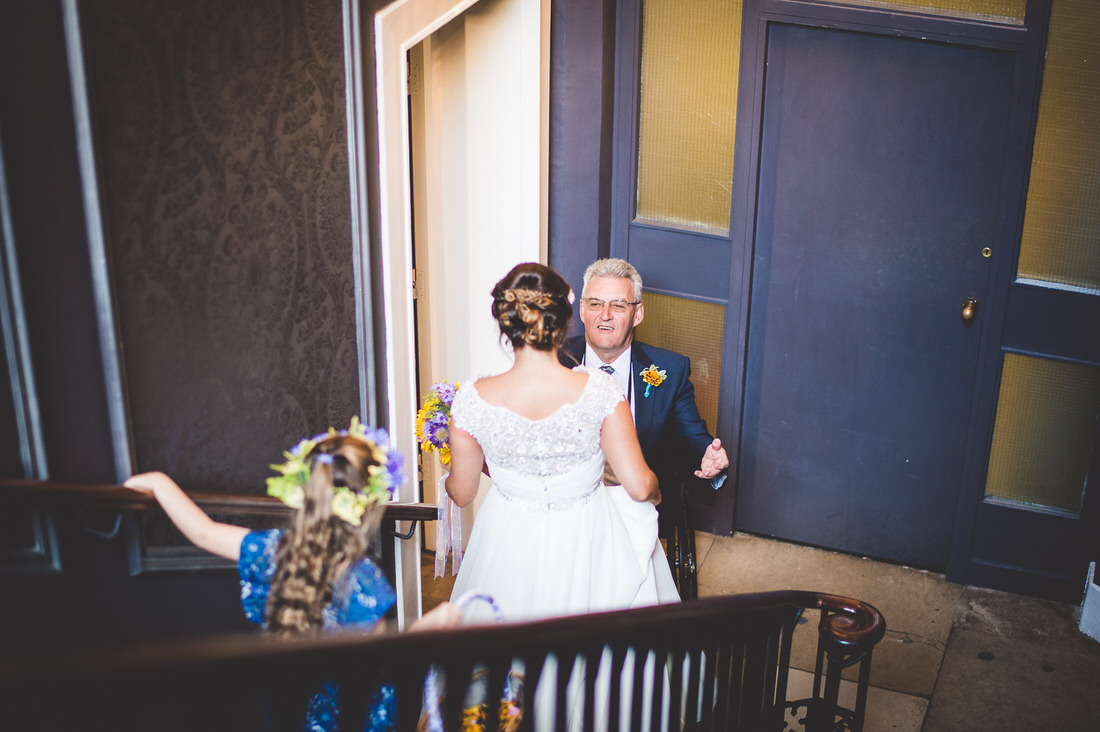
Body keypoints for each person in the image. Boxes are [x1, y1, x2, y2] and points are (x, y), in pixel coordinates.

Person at [124, 419, 461, 732]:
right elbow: (385, 660)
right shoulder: (363, 580)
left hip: (290, 708)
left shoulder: (275, 551)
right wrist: (429, 626)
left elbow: (204, 532)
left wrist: (159, 482)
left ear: (305, 491)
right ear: (367, 506)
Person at [444, 262, 680, 622]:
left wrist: (449, 467)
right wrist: (655, 484)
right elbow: (638, 486)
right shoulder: (599, 392)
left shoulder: (472, 400)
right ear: (568, 317)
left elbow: (462, 494)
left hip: (506, 540)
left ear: (506, 323)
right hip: (585, 542)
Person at [559, 258, 729, 543]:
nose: (605, 314)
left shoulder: (670, 370)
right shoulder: (554, 360)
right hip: (566, 506)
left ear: (637, 314)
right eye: (595, 303)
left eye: (618, 305)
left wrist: (706, 454)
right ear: (582, 310)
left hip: (636, 507)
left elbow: (692, 434)